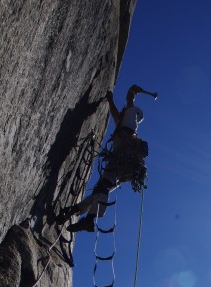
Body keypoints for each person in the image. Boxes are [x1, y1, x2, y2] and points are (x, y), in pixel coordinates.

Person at [59, 84, 157, 233]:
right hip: (126, 166)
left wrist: (133, 93)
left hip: (121, 159)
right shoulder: (127, 123)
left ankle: (89, 219)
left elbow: (130, 93)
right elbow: (116, 115)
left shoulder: (131, 115)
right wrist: (110, 100)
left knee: (102, 186)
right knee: (101, 190)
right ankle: (75, 210)